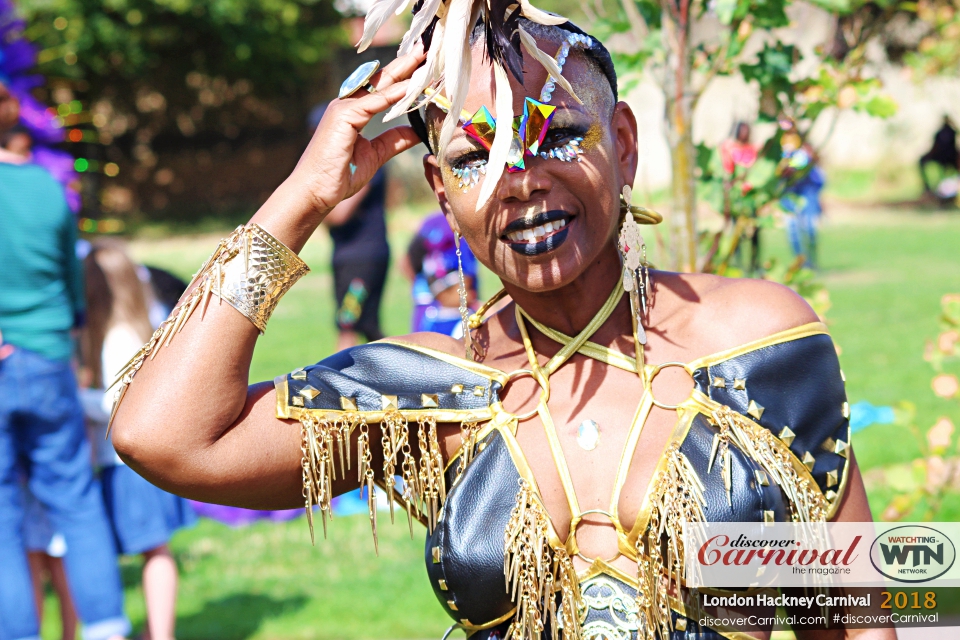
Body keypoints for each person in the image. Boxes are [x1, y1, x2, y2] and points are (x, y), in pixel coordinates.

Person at [109, 4, 892, 639]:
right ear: (441, 192)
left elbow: (852, 613)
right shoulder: (427, 396)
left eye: (556, 134)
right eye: (475, 157)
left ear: (622, 143)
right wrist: (303, 198)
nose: (521, 181)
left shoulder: (753, 344)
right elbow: (163, 436)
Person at [0, 80, 130, 640]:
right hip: (49, 357)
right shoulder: (48, 189)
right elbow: (74, 287)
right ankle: (104, 628)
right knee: (76, 501)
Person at [80, 241, 196, 640]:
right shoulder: (143, 325)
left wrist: (74, 399)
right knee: (152, 551)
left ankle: (159, 633)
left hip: (129, 467)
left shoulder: (117, 339)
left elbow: (116, 405)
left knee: (153, 551)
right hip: (135, 463)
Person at [402, 211, 479, 336]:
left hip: (449, 301)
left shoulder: (431, 222)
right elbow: (407, 260)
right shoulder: (445, 224)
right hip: (439, 298)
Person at [780, 122, 826, 269]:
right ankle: (801, 262)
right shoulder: (779, 151)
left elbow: (816, 172)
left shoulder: (805, 150)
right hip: (789, 195)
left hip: (806, 194)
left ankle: (812, 260)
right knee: (793, 231)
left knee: (810, 229)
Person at [719, 121, 761, 273]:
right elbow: (728, 170)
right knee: (736, 230)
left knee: (755, 231)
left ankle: (755, 263)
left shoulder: (754, 149)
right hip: (737, 198)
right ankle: (737, 262)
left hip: (752, 197)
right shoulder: (731, 149)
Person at [919, 116, 958, 198]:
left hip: (951, 157)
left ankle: (946, 191)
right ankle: (928, 188)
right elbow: (934, 147)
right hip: (940, 157)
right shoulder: (940, 133)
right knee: (922, 160)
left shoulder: (953, 132)